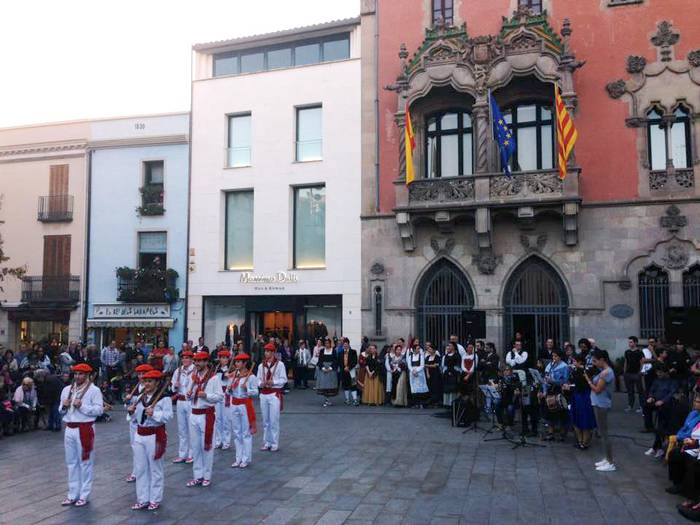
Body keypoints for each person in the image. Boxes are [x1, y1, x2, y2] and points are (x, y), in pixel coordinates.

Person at [59, 363, 104, 507]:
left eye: (81, 374)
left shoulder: (94, 390)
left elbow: (99, 410)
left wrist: (82, 406)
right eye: (76, 374)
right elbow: (61, 410)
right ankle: (72, 494)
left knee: (85, 462)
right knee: (71, 463)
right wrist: (64, 405)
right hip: (69, 428)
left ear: (87, 375)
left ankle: (84, 495)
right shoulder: (67, 389)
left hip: (85, 428)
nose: (78, 376)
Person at [129, 369, 173, 511]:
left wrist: (154, 413)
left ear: (157, 383)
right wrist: (131, 412)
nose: (146, 384)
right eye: (145, 381)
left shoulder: (164, 398)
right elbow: (135, 418)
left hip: (155, 435)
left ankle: (155, 499)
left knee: (155, 468)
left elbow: (168, 416)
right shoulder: (140, 397)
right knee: (141, 468)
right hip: (140, 434)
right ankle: (142, 499)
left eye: (150, 381)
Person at [186, 352, 223, 488]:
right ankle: (198, 476)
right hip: (193, 414)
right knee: (195, 447)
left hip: (206, 415)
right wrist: (189, 395)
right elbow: (188, 395)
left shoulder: (214, 378)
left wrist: (206, 395)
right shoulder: (192, 377)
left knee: (207, 446)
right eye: (195, 361)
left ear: (206, 362)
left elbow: (220, 396)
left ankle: (207, 476)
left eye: (200, 361)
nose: (197, 363)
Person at [666, 395, 700, 520]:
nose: (695, 403)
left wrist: (692, 442)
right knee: (675, 454)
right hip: (692, 444)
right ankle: (678, 484)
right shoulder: (692, 414)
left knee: (694, 467)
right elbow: (686, 429)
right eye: (695, 401)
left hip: (694, 446)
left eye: (698, 402)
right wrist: (681, 437)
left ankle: (693, 499)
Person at [586, 349, 616, 472]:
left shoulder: (606, 373)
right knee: (602, 432)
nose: (594, 363)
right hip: (598, 403)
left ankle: (610, 462)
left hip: (601, 404)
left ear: (602, 360)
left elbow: (597, 389)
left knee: (604, 433)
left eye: (595, 361)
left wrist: (588, 380)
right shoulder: (603, 372)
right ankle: (607, 458)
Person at [228, 353, 258, 469]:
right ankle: (238, 458)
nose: (236, 364)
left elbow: (256, 392)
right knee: (236, 432)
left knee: (246, 432)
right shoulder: (234, 375)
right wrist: (229, 390)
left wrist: (248, 389)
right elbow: (228, 391)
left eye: (239, 362)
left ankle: (246, 458)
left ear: (245, 363)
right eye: (236, 361)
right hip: (234, 404)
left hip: (245, 405)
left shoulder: (251, 377)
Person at [125, 364, 155, 482]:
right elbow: (129, 405)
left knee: (149, 450)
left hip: (147, 423)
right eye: (139, 374)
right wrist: (128, 401)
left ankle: (148, 471)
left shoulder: (152, 389)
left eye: (144, 374)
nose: (141, 376)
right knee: (135, 448)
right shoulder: (135, 387)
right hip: (134, 421)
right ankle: (136, 471)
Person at [643, 363, 679, 457]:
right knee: (646, 406)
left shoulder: (672, 382)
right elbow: (652, 390)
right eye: (657, 372)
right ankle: (649, 426)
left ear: (665, 372)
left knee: (661, 425)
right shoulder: (656, 381)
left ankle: (657, 447)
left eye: (660, 372)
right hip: (656, 401)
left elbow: (671, 393)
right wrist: (651, 397)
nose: (658, 374)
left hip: (667, 406)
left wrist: (663, 401)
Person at [256, 342, 286, 452]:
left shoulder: (280, 364)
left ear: (273, 353)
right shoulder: (261, 366)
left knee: (274, 420)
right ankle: (266, 442)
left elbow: (284, 379)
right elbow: (258, 380)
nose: (266, 353)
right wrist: (261, 384)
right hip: (264, 394)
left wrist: (274, 382)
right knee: (265, 421)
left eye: (268, 351)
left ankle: (274, 443)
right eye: (265, 351)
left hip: (274, 394)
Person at [565, 354, 596, 450]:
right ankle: (581, 442)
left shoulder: (584, 371)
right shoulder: (577, 370)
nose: (573, 363)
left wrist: (570, 387)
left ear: (580, 362)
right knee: (578, 418)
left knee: (583, 418)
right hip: (578, 396)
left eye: (574, 361)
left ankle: (583, 442)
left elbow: (581, 386)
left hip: (582, 397)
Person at [540, 350, 570, 442]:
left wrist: (552, 381)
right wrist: (544, 390)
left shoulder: (564, 366)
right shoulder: (550, 365)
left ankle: (562, 433)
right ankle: (551, 433)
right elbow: (545, 377)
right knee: (549, 412)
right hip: (550, 390)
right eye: (553, 356)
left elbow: (565, 380)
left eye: (556, 356)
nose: (554, 358)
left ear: (560, 357)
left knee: (561, 412)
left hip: (559, 390)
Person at [171, 351, 194, 464]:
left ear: (191, 359)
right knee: (182, 429)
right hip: (180, 401)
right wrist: (175, 387)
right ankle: (182, 454)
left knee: (191, 428)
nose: (185, 360)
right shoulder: (178, 371)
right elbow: (172, 386)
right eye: (183, 358)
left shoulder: (195, 370)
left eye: (187, 358)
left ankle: (192, 454)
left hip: (190, 401)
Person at [214, 349, 233, 450]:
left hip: (226, 394)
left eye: (226, 358)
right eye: (222, 358)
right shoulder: (216, 369)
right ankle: (218, 440)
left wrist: (229, 376)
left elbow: (232, 383)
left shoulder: (232, 369)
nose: (224, 360)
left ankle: (226, 441)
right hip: (217, 394)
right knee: (218, 418)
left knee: (226, 419)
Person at [623, 336, 644, 413]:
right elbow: (626, 362)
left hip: (636, 374)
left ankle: (641, 406)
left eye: (631, 342)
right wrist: (624, 372)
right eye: (629, 342)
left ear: (635, 343)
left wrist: (640, 372)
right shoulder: (627, 352)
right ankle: (630, 406)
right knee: (630, 391)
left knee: (640, 391)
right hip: (628, 374)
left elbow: (642, 362)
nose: (629, 343)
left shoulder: (639, 352)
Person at [317, 338, 339, 407]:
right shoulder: (322, 351)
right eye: (326, 343)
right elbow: (320, 360)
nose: (327, 344)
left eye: (328, 343)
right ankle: (326, 400)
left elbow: (335, 360)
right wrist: (323, 368)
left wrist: (330, 368)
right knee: (325, 385)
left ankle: (328, 400)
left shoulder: (334, 351)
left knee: (330, 385)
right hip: (323, 370)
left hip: (331, 370)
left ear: (330, 343)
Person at [406, 339, 428, 409]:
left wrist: (416, 370)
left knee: (421, 388)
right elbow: (409, 365)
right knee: (414, 389)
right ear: (414, 349)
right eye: (418, 348)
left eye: (419, 348)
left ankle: (421, 403)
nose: (419, 350)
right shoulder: (410, 357)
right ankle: (415, 403)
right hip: (413, 374)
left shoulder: (421, 356)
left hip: (420, 374)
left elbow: (422, 365)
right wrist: (413, 371)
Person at [338, 338, 359, 406]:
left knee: (353, 385)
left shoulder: (353, 352)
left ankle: (355, 399)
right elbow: (339, 362)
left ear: (348, 344)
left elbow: (355, 361)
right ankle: (347, 399)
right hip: (344, 371)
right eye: (344, 344)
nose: (345, 345)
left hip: (351, 370)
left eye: (346, 344)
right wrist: (344, 368)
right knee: (345, 385)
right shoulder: (340, 353)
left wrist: (349, 367)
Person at [441, 342, 461, 408]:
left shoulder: (457, 355)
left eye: (450, 346)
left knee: (453, 389)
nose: (449, 347)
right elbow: (444, 365)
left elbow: (458, 366)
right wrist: (446, 372)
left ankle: (453, 403)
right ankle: (447, 404)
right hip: (447, 374)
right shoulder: (446, 355)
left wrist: (452, 371)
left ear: (454, 347)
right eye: (448, 346)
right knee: (447, 389)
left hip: (454, 374)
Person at [424, 342, 442, 407]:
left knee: (435, 387)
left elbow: (436, 365)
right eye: (429, 349)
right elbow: (425, 366)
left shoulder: (437, 357)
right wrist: (427, 373)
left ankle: (436, 401)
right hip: (429, 373)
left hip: (436, 373)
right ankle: (430, 400)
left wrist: (428, 365)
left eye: (430, 349)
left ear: (434, 350)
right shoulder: (427, 357)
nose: (429, 350)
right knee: (430, 386)